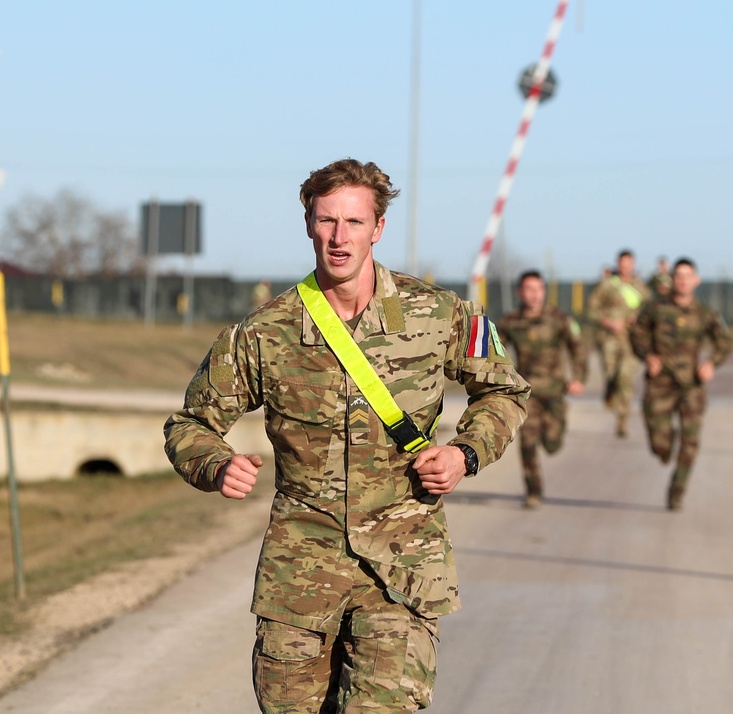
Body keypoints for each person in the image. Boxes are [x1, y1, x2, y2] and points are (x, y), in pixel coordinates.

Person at [163, 158, 530, 713]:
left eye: (354, 222)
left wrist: (464, 453)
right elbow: (189, 424)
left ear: (378, 228)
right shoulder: (265, 332)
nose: (339, 237)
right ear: (309, 223)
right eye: (327, 221)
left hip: (401, 571)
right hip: (300, 575)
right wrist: (214, 465)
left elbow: (505, 392)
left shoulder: (438, 315)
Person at [630, 257, 732, 511]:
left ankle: (677, 491)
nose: (683, 281)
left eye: (688, 276)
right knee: (660, 445)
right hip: (660, 383)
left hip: (691, 385)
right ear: (672, 280)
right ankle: (664, 445)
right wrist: (647, 356)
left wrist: (711, 364)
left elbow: (724, 343)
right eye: (679, 276)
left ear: (696, 281)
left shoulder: (705, 313)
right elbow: (637, 335)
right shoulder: (655, 308)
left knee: (691, 442)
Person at [498, 270, 587, 509]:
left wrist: (578, 377)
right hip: (527, 393)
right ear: (520, 292)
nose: (534, 295)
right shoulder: (510, 322)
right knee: (527, 442)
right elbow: (496, 352)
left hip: (556, 391)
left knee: (552, 443)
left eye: (538, 289)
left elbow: (577, 346)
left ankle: (555, 434)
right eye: (528, 289)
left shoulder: (558, 318)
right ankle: (533, 491)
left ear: (543, 291)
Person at [587, 249, 650, 437]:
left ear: (633, 264)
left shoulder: (641, 288)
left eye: (629, 263)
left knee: (624, 376)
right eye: (622, 263)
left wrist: (637, 319)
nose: (625, 267)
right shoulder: (608, 285)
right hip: (609, 340)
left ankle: (622, 420)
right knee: (611, 374)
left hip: (631, 340)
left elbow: (650, 310)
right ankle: (609, 391)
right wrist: (607, 322)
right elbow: (592, 309)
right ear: (617, 263)